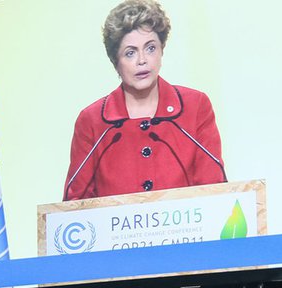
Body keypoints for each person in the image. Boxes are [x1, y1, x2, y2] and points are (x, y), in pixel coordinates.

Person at [62, 0, 224, 201]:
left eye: (150, 48)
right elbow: (75, 204)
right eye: (130, 53)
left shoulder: (195, 106)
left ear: (161, 51)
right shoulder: (92, 121)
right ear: (116, 62)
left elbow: (214, 191)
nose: (142, 60)